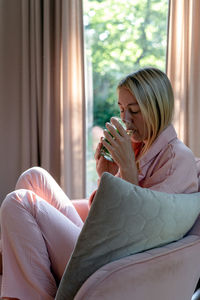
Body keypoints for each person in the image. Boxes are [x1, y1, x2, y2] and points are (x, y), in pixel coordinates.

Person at [0, 67, 199, 300]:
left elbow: (140, 233)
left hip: (112, 262)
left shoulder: (177, 160)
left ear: (157, 109)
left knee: (18, 202)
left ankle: (28, 286)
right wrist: (106, 175)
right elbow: (102, 216)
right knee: (34, 177)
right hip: (100, 241)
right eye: (122, 109)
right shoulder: (139, 147)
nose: (125, 119)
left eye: (134, 111)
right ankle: (19, 271)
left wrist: (127, 169)